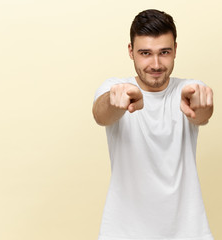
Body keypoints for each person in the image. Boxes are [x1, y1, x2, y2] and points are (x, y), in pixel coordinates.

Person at [92, 9, 214, 240]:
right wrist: (115, 102)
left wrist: (201, 104)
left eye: (164, 52)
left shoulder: (188, 89)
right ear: (131, 51)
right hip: (123, 232)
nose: (156, 64)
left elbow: (201, 115)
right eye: (145, 53)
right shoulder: (116, 87)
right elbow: (101, 115)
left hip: (188, 231)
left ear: (175, 50)